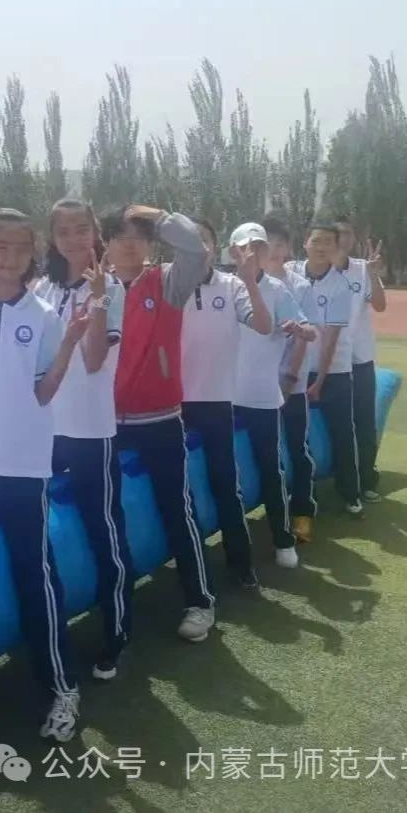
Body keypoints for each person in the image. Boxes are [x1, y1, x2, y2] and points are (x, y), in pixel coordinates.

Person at [0, 208, 88, 742]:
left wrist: (69, 345)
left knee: (36, 574)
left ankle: (62, 686)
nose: (9, 256)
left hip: (21, 466)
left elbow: (43, 391)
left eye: (19, 247)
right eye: (0, 246)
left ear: (33, 254)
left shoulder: (44, 314)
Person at [102, 204, 216, 642]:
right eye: (120, 236)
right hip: (104, 422)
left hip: (160, 419)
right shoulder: (96, 288)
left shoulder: (167, 283)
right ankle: (117, 602)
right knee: (107, 514)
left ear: (150, 243)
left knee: (177, 509)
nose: (129, 245)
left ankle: (200, 601)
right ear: (106, 244)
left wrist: (159, 216)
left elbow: (197, 250)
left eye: (139, 236)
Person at [33, 199, 134, 681]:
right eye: (64, 231)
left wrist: (96, 302)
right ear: (52, 238)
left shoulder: (110, 287)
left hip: (91, 431)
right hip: (46, 430)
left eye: (81, 229)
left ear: (95, 233)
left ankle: (116, 632)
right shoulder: (43, 288)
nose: (74, 239)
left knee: (104, 532)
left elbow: (94, 361)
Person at [180, 220, 274, 583]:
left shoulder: (232, 285)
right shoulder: (168, 284)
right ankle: (191, 566)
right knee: (181, 490)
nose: (196, 247)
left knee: (225, 483)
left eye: (203, 240)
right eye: (188, 240)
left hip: (217, 402)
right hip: (172, 405)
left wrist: (250, 281)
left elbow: (263, 326)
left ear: (213, 246)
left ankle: (241, 564)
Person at [227, 222, 315, 557]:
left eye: (259, 247)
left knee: (270, 467)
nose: (253, 253)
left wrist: (302, 331)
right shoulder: (223, 287)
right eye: (246, 247)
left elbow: (308, 329)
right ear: (234, 252)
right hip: (223, 397)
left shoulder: (277, 290)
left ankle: (283, 539)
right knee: (226, 472)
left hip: (263, 397)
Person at [287, 222, 362, 515]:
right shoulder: (290, 273)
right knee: (298, 435)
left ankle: (350, 493)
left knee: (342, 431)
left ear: (336, 248)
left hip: (334, 371)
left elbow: (330, 337)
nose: (321, 247)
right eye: (316, 241)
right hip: (296, 368)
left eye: (328, 242)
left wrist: (320, 380)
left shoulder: (340, 285)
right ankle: (304, 495)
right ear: (305, 243)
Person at [258, 216, 320, 541]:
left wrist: (290, 376)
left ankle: (302, 512)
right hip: (257, 387)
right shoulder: (246, 283)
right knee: (268, 453)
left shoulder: (300, 286)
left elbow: (303, 336)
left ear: (288, 248)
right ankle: (275, 512)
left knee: (298, 447)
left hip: (290, 385)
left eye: (279, 244)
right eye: (266, 244)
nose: (273, 250)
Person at [335, 217, 386, 502]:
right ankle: (340, 480)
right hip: (326, 363)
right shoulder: (312, 269)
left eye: (347, 233)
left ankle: (366, 479)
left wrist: (374, 275)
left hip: (360, 359)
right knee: (336, 425)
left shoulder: (362, 269)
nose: (343, 238)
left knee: (364, 422)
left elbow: (380, 305)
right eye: (337, 233)